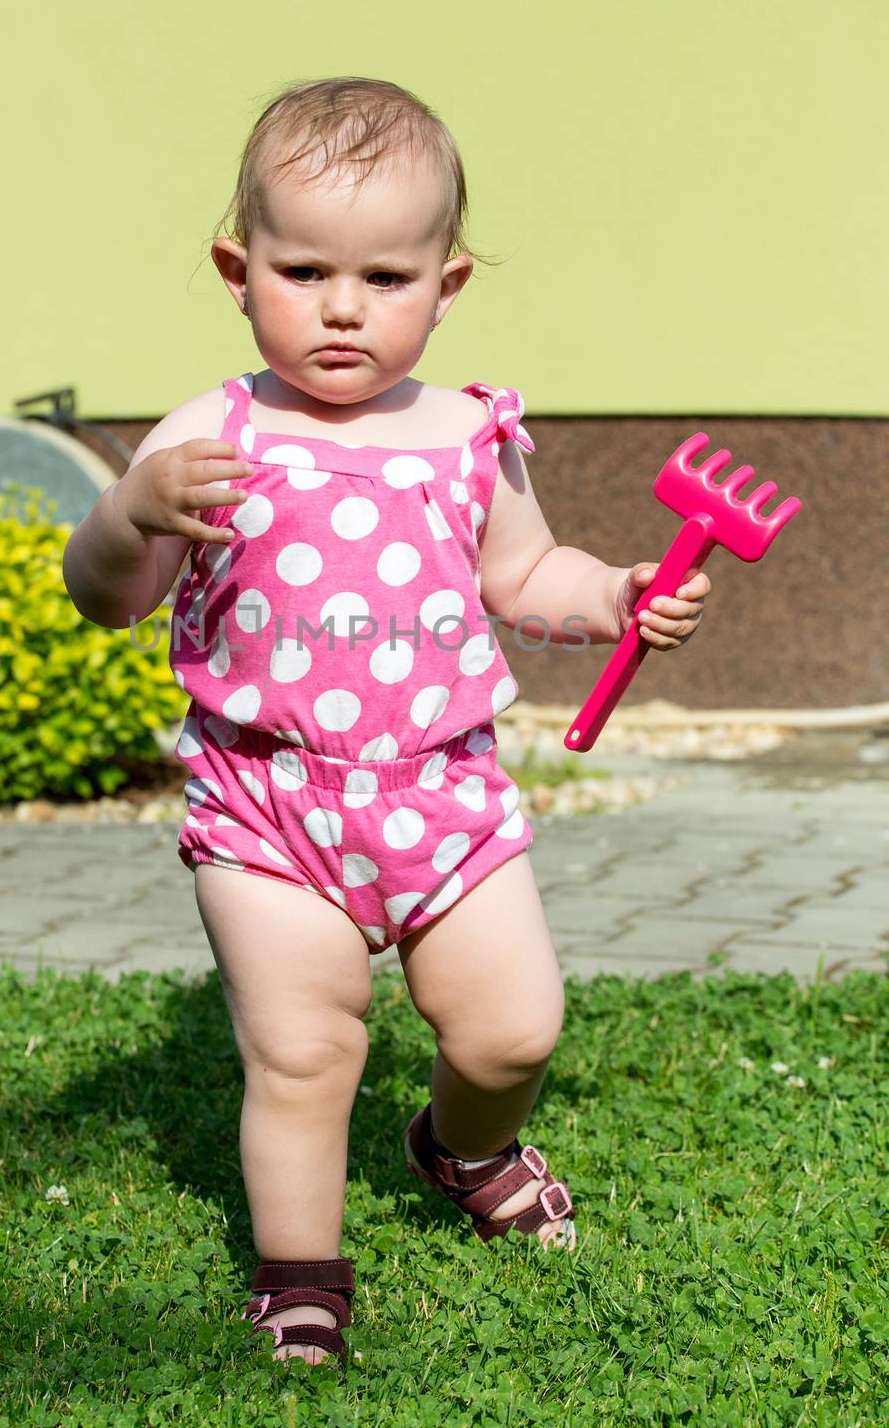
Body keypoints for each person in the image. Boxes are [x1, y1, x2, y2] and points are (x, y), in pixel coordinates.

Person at [62, 77, 711, 1367]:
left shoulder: (471, 436)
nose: (344, 307)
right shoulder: (213, 435)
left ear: (447, 284)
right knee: (306, 1050)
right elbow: (107, 601)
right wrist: (130, 513)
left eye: (386, 277)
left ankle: (460, 1145)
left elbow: (523, 576)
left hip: (440, 795)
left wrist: (618, 594)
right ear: (237, 272)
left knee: (513, 1026)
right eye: (303, 271)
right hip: (269, 801)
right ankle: (302, 1273)